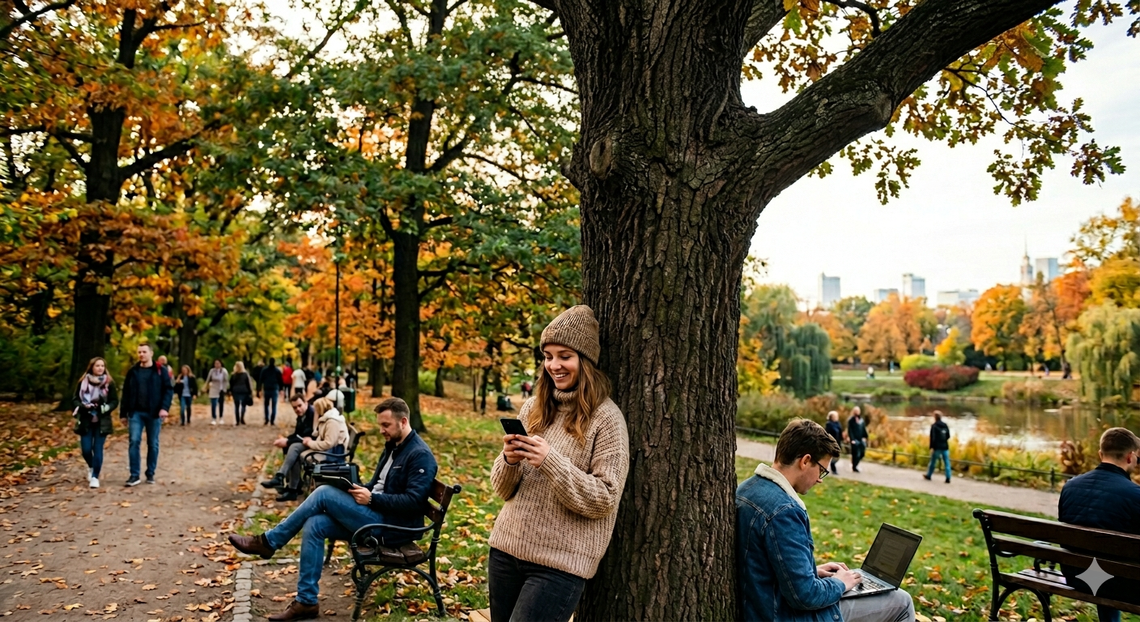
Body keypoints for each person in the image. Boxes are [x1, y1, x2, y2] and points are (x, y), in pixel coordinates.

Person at [230, 397, 438, 621]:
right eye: (380, 425)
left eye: (385, 425)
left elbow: (413, 502)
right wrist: (358, 490)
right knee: (315, 524)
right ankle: (306, 602)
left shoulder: (419, 455)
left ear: (403, 421)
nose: (381, 430)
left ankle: (269, 542)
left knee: (323, 493)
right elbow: (378, 486)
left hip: (391, 527)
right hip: (376, 515)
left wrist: (371, 500)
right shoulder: (393, 447)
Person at [488, 305, 630, 622]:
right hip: (506, 550)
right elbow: (502, 489)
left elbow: (605, 497)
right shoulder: (534, 408)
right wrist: (509, 460)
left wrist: (551, 461)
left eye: (564, 356)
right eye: (548, 356)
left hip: (558, 566)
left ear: (585, 361)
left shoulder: (607, 419)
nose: (554, 365)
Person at [736, 419, 915, 622]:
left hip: (762, 605)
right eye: (821, 470)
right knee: (902, 601)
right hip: (784, 615)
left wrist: (812, 571)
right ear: (805, 461)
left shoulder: (746, 489)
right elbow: (805, 596)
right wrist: (839, 583)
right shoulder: (784, 511)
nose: (820, 479)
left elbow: (764, 562)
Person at [1058, 427, 1140, 622]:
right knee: (1113, 566)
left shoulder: (1070, 486)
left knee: (1104, 562)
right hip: (1118, 582)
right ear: (1130, 457)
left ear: (1100, 454)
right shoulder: (1134, 494)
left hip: (1077, 576)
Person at [120, 343, 173, 486]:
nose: (141, 354)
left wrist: (164, 408)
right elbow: (126, 393)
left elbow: (168, 390)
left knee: (153, 443)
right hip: (135, 412)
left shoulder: (160, 371)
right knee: (134, 441)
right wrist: (123, 414)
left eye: (144, 352)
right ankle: (134, 475)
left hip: (154, 413)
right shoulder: (133, 371)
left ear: (151, 353)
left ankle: (150, 473)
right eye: (139, 352)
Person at [72, 357, 119, 489]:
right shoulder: (82, 382)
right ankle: (91, 466)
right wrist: (82, 406)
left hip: (102, 421)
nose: (100, 368)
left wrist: (105, 408)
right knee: (86, 449)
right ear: (92, 367)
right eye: (97, 366)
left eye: (102, 366)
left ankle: (95, 477)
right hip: (86, 420)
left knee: (97, 448)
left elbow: (114, 401)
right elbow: (75, 399)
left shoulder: (109, 383)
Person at [261, 394, 317, 501]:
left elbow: (309, 434)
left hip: (317, 444)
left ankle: (281, 477)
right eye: (295, 408)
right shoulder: (301, 415)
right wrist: (285, 440)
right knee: (292, 448)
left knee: (294, 446)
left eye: (300, 405)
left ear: (306, 403)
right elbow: (298, 434)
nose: (298, 409)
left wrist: (287, 441)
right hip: (307, 443)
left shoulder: (312, 413)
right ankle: (293, 489)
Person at [923, 411, 951, 483]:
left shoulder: (934, 426)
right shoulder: (945, 425)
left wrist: (932, 447)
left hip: (937, 447)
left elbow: (933, 438)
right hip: (945, 446)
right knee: (947, 462)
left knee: (933, 462)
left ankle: (929, 475)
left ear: (934, 417)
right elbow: (948, 436)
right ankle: (948, 477)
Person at [259, 358, 285, 426]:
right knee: (274, 405)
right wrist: (281, 389)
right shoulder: (277, 371)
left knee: (266, 405)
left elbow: (261, 380)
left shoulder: (264, 370)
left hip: (267, 388)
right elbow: (280, 381)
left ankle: (267, 419)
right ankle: (272, 420)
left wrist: (259, 389)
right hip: (274, 388)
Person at [206, 359, 229, 426]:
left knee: (221, 404)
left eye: (218, 363)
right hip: (213, 389)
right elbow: (208, 379)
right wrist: (206, 387)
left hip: (221, 389)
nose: (217, 365)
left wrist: (226, 389)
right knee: (213, 404)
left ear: (221, 364)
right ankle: (213, 418)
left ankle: (221, 417)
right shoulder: (212, 371)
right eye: (215, 363)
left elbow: (226, 380)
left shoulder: (224, 371)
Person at [230, 362, 253, 426]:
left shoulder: (233, 375)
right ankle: (242, 418)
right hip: (244, 391)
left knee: (236, 406)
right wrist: (250, 391)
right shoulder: (245, 374)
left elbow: (231, 384)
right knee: (243, 405)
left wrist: (231, 391)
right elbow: (248, 383)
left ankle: (237, 420)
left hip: (236, 391)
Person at [847, 406, 868, 473]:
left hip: (861, 439)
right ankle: (854, 467)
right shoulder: (851, 420)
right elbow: (850, 430)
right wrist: (852, 439)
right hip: (854, 440)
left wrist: (865, 437)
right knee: (856, 454)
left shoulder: (861, 420)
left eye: (858, 411)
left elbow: (863, 429)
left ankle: (855, 464)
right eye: (855, 411)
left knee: (862, 453)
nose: (857, 412)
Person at [824, 411, 846, 475]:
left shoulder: (838, 423)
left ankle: (832, 465)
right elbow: (827, 433)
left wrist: (843, 438)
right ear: (832, 417)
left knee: (837, 456)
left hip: (838, 442)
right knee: (834, 456)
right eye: (835, 416)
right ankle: (833, 468)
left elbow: (840, 432)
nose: (837, 417)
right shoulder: (829, 424)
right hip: (832, 443)